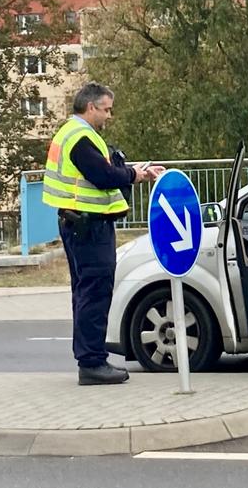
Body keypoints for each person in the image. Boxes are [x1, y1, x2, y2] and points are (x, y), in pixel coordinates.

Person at [42, 82, 165, 385]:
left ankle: (90, 358)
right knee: (94, 294)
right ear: (91, 107)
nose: (109, 115)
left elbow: (106, 167)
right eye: (107, 109)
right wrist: (134, 175)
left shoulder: (75, 134)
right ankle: (92, 362)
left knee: (85, 293)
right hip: (88, 226)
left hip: (79, 223)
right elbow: (103, 176)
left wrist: (137, 170)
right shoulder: (81, 137)